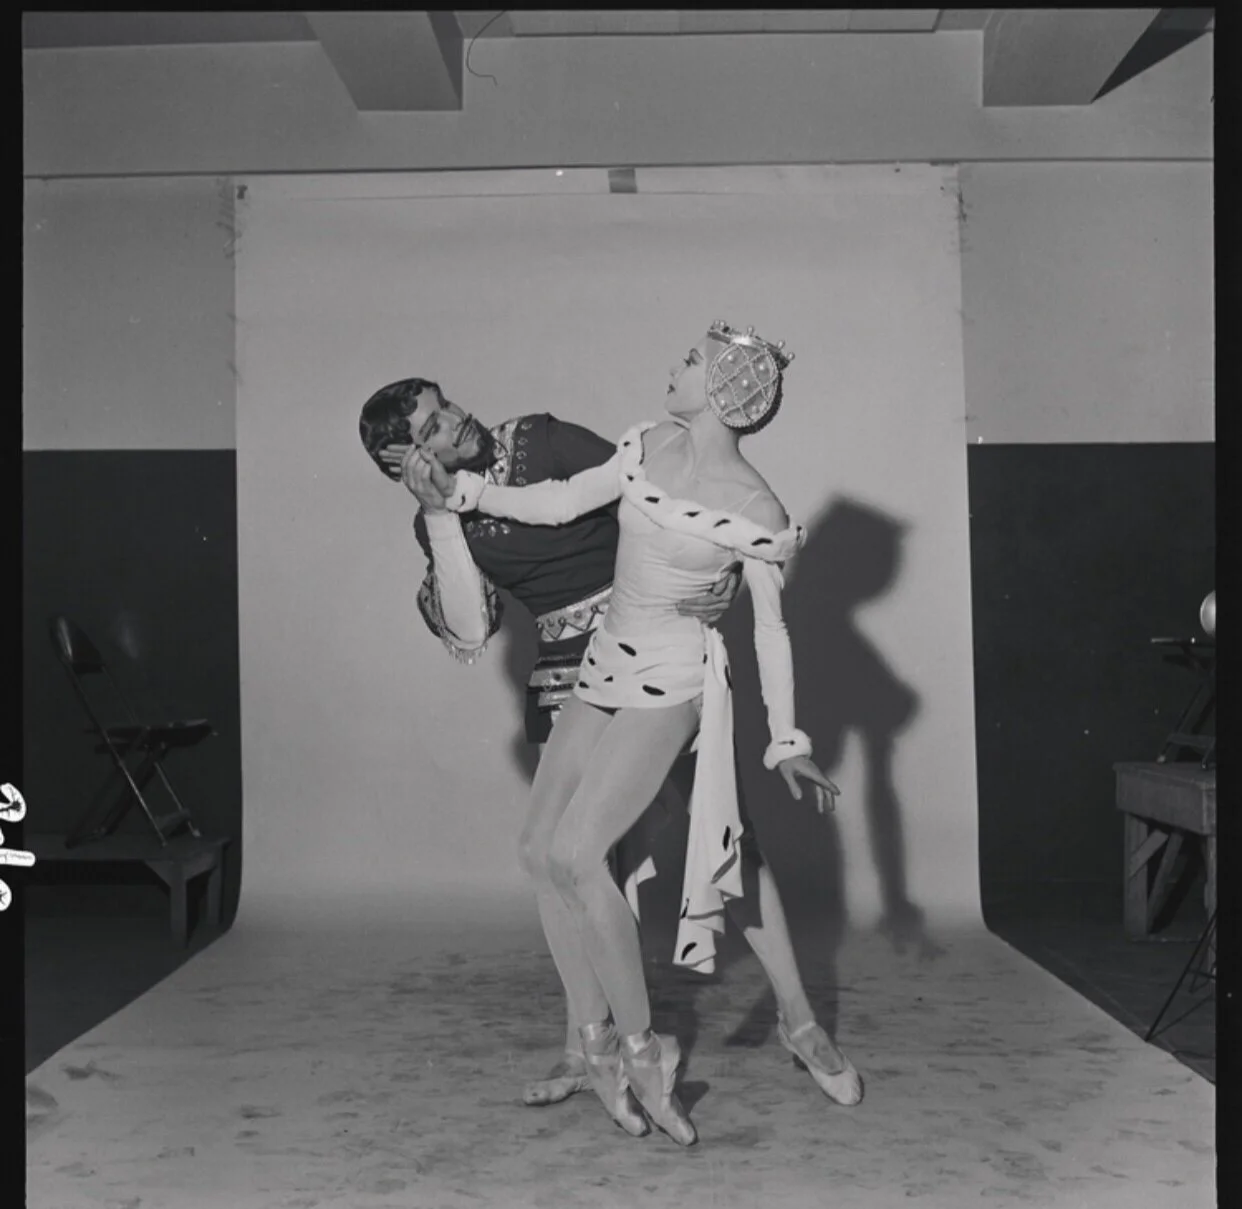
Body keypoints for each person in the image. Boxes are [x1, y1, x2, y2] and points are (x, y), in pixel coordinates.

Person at [404, 321, 861, 1144]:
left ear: (724, 389)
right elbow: (563, 504)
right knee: (547, 853)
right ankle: (595, 1047)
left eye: (691, 359)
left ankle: (738, 1034)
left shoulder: (754, 506)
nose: (673, 364)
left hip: (670, 680)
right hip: (592, 668)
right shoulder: (645, 442)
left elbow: (771, 630)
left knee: (703, 852)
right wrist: (460, 500)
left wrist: (786, 738)